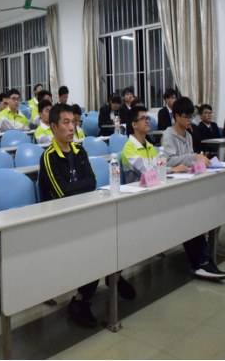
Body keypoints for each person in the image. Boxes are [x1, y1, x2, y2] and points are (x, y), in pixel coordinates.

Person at [39, 104, 135, 328]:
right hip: (59, 220)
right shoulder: (49, 157)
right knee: (96, 241)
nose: (72, 128)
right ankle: (81, 300)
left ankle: (114, 275)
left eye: (73, 122)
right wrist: (79, 186)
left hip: (83, 212)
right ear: (53, 127)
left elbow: (91, 182)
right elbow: (62, 194)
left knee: (115, 228)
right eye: (66, 123)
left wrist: (77, 186)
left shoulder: (79, 151)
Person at [161, 97, 225, 280]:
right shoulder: (169, 136)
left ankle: (204, 258)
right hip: (174, 187)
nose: (190, 120)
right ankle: (202, 262)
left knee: (205, 209)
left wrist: (199, 160)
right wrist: (193, 157)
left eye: (191, 116)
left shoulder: (189, 135)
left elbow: (190, 160)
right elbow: (168, 161)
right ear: (176, 116)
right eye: (186, 116)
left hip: (188, 183)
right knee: (192, 216)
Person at [122, 106, 189, 184]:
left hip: (154, 186)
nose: (147, 121)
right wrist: (172, 169)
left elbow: (160, 167)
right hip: (138, 190)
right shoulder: (128, 149)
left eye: (147, 118)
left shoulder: (150, 146)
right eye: (143, 118)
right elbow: (148, 171)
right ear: (134, 124)